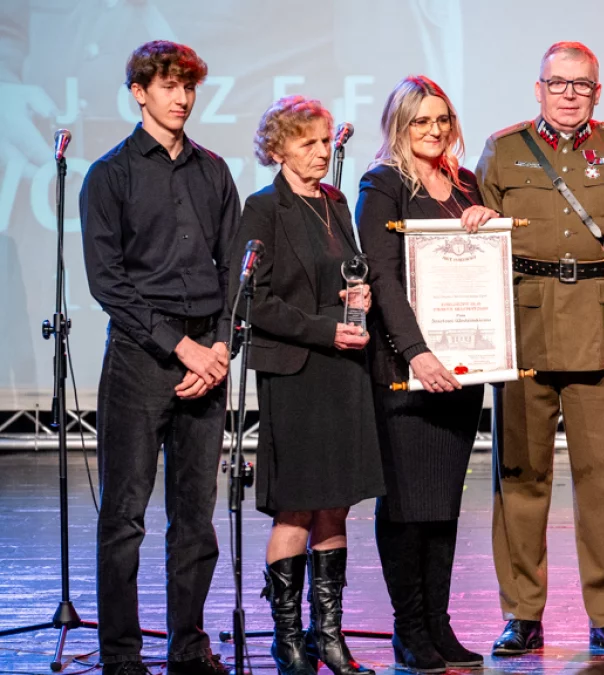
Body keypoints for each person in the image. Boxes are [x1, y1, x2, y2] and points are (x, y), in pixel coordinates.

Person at [475, 41, 604, 656]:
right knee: (519, 477)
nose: (567, 94)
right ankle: (522, 614)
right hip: (522, 329)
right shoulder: (502, 150)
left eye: (580, 85)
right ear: (538, 88)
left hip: (599, 332)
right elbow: (475, 246)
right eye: (557, 84)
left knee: (602, 481)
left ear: (596, 92)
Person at [80, 41, 236, 675]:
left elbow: (235, 270)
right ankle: (121, 655)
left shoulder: (213, 170)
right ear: (139, 92)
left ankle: (187, 647)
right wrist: (183, 348)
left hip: (208, 354)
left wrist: (219, 347)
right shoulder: (110, 174)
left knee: (194, 521)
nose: (182, 97)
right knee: (125, 516)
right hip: (143, 359)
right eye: (168, 86)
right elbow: (107, 281)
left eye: (188, 86)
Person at [235, 95, 382, 675]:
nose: (322, 152)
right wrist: (325, 328)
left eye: (325, 142)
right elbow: (254, 300)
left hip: (343, 373)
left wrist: (357, 295)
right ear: (278, 149)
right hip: (296, 372)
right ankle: (289, 639)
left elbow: (346, 272)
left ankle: (329, 637)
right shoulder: (262, 208)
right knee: (295, 509)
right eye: (308, 143)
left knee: (336, 507)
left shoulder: (336, 202)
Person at [355, 75, 495, 673]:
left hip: (462, 371)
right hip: (405, 370)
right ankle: (408, 629)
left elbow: (486, 270)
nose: (435, 131)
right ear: (399, 126)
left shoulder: (466, 184)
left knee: (443, 505)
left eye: (442, 120)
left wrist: (489, 219)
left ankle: (439, 626)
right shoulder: (380, 185)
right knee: (408, 505)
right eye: (421, 121)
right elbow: (382, 280)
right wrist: (416, 352)